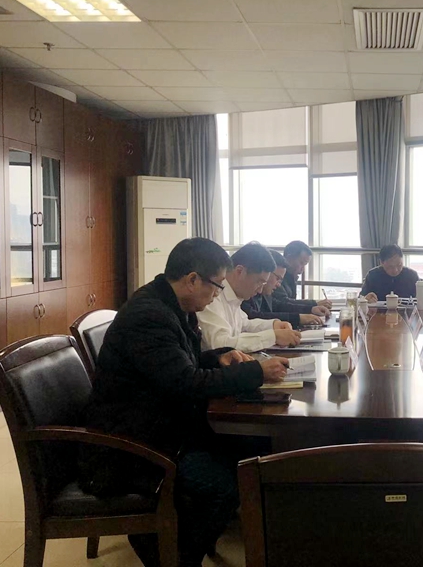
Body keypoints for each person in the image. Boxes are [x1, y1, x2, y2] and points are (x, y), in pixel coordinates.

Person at [78, 237, 290, 567]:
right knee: (227, 483)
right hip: (134, 446)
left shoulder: (174, 305)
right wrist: (255, 372)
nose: (218, 294)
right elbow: (185, 383)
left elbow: (179, 365)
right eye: (216, 286)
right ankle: (172, 556)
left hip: (160, 424)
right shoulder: (149, 316)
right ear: (192, 279)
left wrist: (218, 357)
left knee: (255, 448)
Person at [197, 242, 301, 352]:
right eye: (259, 282)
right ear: (240, 271)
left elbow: (245, 325)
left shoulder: (234, 296)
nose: (260, 290)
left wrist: (273, 325)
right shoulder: (212, 296)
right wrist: (273, 337)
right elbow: (220, 344)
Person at [242, 250, 324, 328]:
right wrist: (298, 318)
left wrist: (310, 309)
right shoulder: (245, 293)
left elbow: (279, 305)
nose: (278, 285)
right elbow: (254, 317)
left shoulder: (264, 293)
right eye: (277, 278)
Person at [273, 240, 333, 317]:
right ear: (289, 258)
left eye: (305, 265)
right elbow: (283, 304)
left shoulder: (291, 277)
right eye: (301, 263)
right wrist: (313, 305)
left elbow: (289, 304)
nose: (303, 269)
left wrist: (313, 306)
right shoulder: (277, 278)